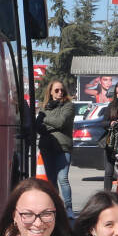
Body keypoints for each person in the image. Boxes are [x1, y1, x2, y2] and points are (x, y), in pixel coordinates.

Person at [36, 79, 76, 214]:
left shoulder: (68, 106)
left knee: (62, 178)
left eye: (62, 90)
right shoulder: (45, 106)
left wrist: (44, 117)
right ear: (51, 92)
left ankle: (69, 208)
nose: (60, 93)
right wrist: (44, 122)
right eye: (56, 90)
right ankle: (55, 207)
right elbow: (38, 126)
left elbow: (61, 122)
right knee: (51, 179)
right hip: (47, 146)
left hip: (63, 147)